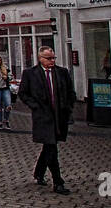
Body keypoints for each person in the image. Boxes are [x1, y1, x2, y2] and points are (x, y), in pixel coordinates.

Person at [19, 46, 76, 194]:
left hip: (59, 116)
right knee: (51, 147)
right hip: (43, 117)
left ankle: (39, 172)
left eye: (53, 58)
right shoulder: (30, 73)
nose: (52, 61)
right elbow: (23, 93)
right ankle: (58, 182)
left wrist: (68, 107)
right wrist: (35, 107)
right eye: (48, 58)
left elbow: (70, 92)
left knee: (50, 145)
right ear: (40, 58)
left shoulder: (62, 72)